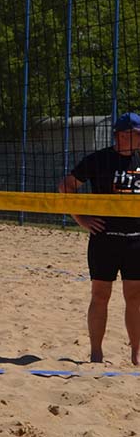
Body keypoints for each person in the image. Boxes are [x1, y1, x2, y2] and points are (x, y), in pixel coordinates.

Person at [58, 112, 140, 364]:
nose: (138, 138)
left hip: (136, 240)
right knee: (100, 295)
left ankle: (136, 352)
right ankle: (96, 352)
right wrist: (81, 219)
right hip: (104, 240)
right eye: (136, 133)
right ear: (122, 135)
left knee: (135, 297)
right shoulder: (98, 160)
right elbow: (66, 186)